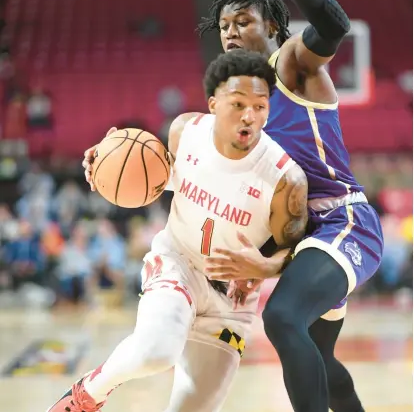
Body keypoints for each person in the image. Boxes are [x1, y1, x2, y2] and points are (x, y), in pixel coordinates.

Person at [47, 49, 309, 412]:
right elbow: (153, 177)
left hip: (230, 301)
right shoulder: (185, 131)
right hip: (178, 263)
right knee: (157, 351)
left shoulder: (285, 179)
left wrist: (263, 267)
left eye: (260, 106)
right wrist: (107, 161)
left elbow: (298, 252)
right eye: (237, 104)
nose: (249, 115)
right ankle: (88, 393)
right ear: (214, 103)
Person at [198, 0, 384, 412]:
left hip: (344, 221)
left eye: (242, 21)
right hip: (304, 237)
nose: (230, 32)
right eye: (224, 26)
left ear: (273, 27)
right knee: (321, 357)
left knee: (281, 318)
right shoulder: (244, 106)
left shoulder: (291, 65)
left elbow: (334, 25)